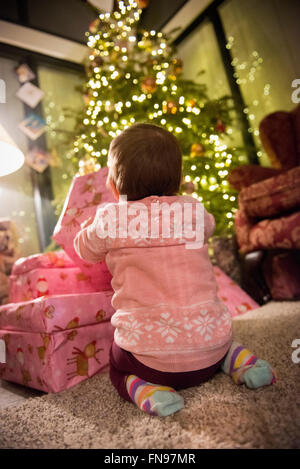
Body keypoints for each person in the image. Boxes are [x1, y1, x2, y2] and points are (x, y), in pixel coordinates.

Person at [74, 123, 276, 417]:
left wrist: (87, 227)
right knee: (220, 340)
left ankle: (149, 391)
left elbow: (84, 249)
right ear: (179, 180)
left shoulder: (111, 219)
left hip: (150, 363)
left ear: (115, 186)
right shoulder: (193, 210)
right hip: (210, 350)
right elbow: (209, 227)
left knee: (116, 364)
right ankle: (242, 362)